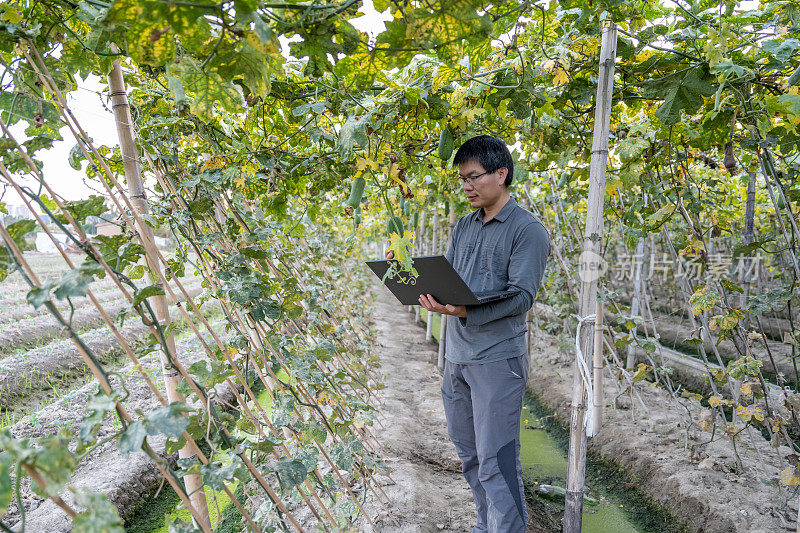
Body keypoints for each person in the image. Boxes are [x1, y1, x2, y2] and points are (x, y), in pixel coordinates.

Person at [386, 135, 550, 532]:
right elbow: (453, 281)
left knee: (497, 461)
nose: (467, 186)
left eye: (474, 177)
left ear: (501, 174)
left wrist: (461, 310)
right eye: (462, 179)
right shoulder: (465, 226)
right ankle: (485, 526)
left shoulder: (527, 231)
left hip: (496, 359)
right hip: (456, 356)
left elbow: (520, 298)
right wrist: (408, 270)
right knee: (471, 457)